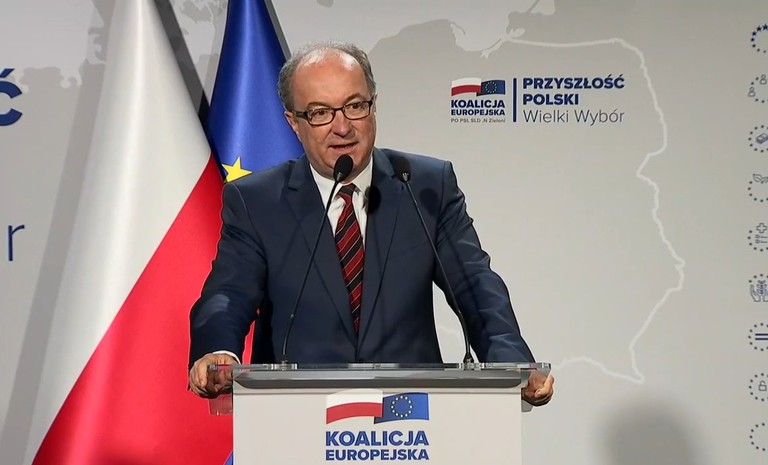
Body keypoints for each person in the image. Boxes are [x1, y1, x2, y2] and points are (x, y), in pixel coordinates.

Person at [188, 41, 554, 406]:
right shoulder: (258, 201)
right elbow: (229, 293)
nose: (342, 127)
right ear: (294, 123)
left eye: (354, 106)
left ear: (373, 106)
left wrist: (511, 362)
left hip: (412, 418)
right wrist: (217, 350)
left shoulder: (425, 186)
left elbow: (474, 285)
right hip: (296, 413)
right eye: (320, 112)